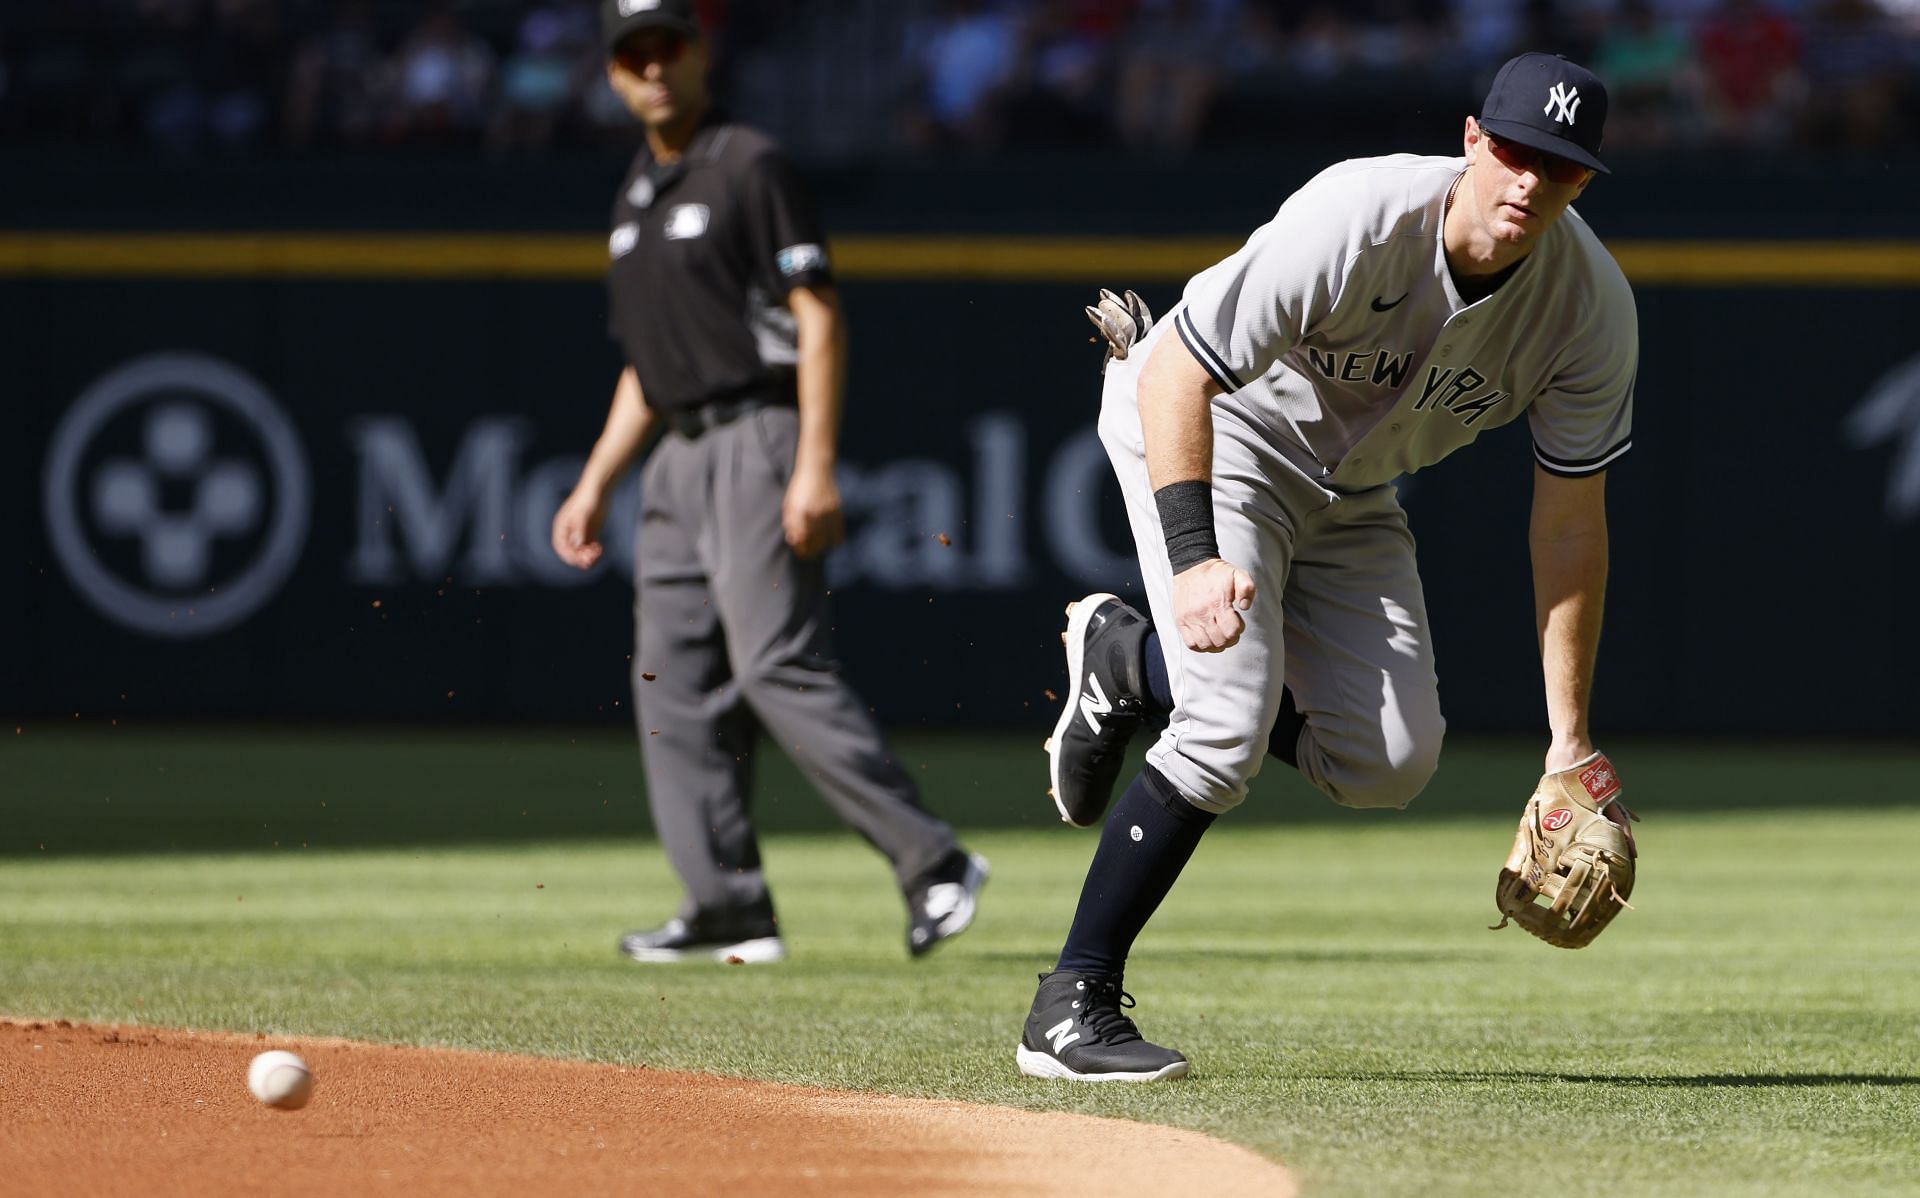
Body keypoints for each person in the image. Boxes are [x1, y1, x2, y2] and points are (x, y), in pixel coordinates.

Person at [1023, 52, 1638, 1081]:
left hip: (1351, 490)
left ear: (1585, 182)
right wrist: (1191, 564)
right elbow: (1179, 368)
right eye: (1517, 151)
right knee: (1222, 728)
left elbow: (1571, 526)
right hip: (1211, 426)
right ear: (1474, 142)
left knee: (1388, 758)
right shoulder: (1360, 212)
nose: (1531, 182)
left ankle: (1131, 665)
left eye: (1562, 167)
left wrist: (1569, 741)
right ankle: (1070, 999)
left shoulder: (1590, 307)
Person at [552, 0, 987, 965]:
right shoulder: (635, 194)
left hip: (759, 431)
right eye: (634, 54)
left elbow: (819, 317)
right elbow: (647, 367)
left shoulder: (749, 164)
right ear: (614, 74)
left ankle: (935, 863)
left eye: (668, 46)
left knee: (776, 663)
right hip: (675, 453)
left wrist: (815, 463)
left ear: (700, 55)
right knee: (671, 682)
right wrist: (594, 485)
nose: (653, 67)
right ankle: (726, 906)